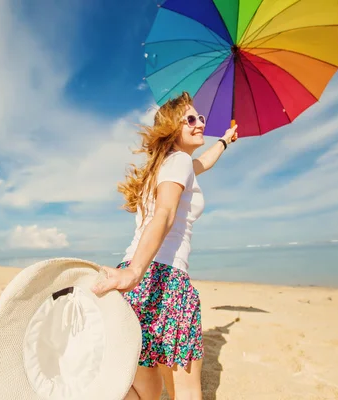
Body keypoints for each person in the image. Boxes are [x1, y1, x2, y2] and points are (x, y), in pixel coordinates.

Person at [92, 91, 238, 400]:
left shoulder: (166, 166)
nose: (200, 123)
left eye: (200, 118)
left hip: (138, 283)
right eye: (191, 119)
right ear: (173, 127)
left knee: (144, 390)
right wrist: (134, 272)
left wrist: (225, 140)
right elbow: (166, 213)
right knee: (185, 392)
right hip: (162, 279)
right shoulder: (179, 161)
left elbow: (203, 163)